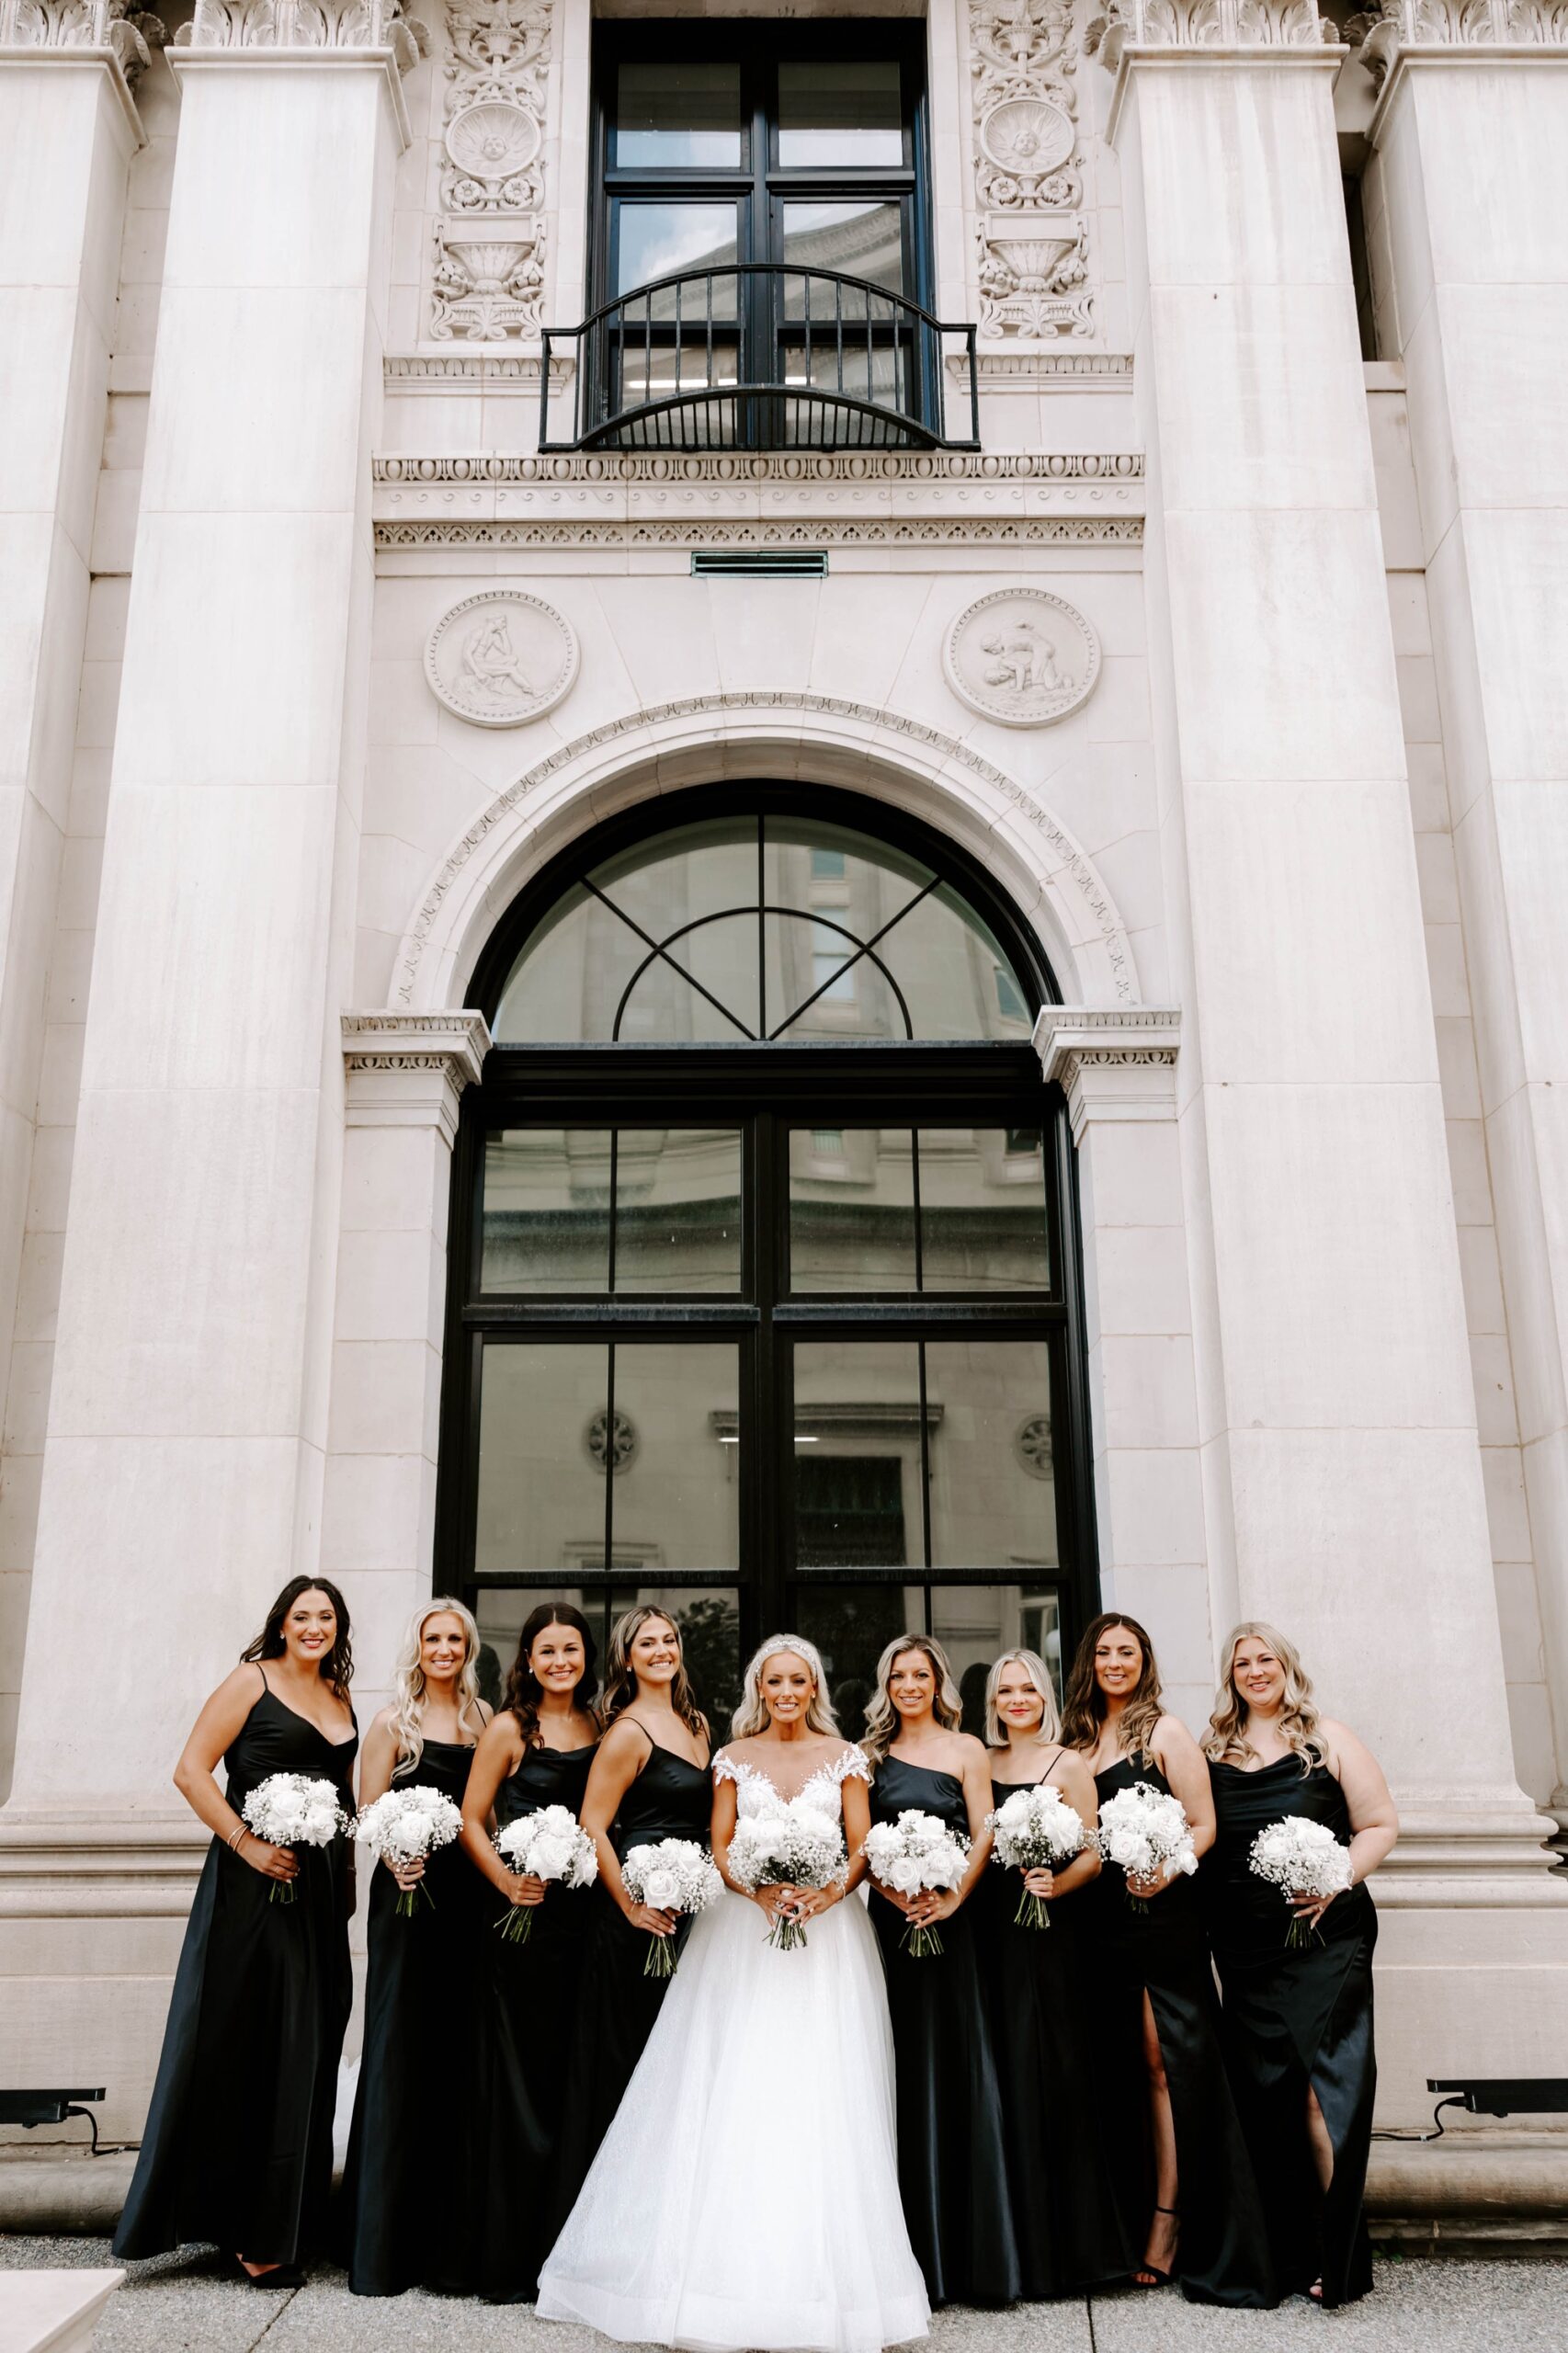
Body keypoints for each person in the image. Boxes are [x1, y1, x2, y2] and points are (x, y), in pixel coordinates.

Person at [538, 1635, 929, 2353]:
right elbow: (721, 1844)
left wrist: (823, 1893)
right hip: (740, 1936)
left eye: (798, 1681)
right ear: (760, 1687)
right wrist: (756, 1890)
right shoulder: (731, 1756)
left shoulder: (845, 1758)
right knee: (735, 2080)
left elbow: (861, 1843)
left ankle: (827, 2284)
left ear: (815, 1688)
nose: (787, 1692)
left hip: (827, 1940)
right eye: (774, 1680)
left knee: (820, 2086)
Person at [113, 1577, 358, 2285]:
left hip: (315, 1901)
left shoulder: (341, 1697)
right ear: (280, 1622)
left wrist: (342, 1889)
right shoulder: (250, 1681)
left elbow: (344, 1800)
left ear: (339, 1630)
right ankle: (251, 2236)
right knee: (257, 2043)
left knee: (308, 2048)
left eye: (327, 1618)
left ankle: (286, 2217)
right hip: (252, 1893)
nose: (314, 1627)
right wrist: (247, 1842)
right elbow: (191, 1772)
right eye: (302, 1615)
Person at [1064, 1612, 1273, 2306]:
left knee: (1165, 2064)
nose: (1114, 1663)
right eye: (1104, 1653)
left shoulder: (1166, 1732)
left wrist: (1167, 1869)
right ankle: (1125, 2217)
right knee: (1119, 2068)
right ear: (1089, 1663)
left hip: (1162, 1916)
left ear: (1144, 1661)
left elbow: (1204, 1823)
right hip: (1097, 1923)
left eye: (1127, 1652)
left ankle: (1173, 2217)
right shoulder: (1078, 1738)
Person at [1205, 1621, 1398, 2308]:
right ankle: (1284, 2252)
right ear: (1230, 1677)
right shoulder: (1211, 1750)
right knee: (1269, 2098)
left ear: (1286, 1667)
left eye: (1266, 1660)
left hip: (1330, 1938)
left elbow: (1379, 1824)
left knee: (1323, 2093)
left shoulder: (1328, 1740)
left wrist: (1337, 1876)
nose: (1256, 1672)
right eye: (1242, 1663)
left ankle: (1336, 2251)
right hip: (1249, 1949)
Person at [863, 1634, 1020, 2309]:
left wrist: (951, 1894)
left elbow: (985, 1830)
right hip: (892, 1928)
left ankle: (969, 2255)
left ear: (938, 1681)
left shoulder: (966, 1750)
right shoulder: (868, 1756)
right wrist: (893, 1889)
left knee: (958, 2068)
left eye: (919, 1674)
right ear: (886, 1685)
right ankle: (907, 2256)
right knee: (898, 2067)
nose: (908, 1685)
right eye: (897, 1675)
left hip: (954, 1927)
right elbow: (858, 1839)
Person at [339, 1597, 488, 2296]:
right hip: (406, 1896)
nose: (445, 1649)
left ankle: (446, 2242)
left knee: (458, 2050)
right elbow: (365, 1811)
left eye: (456, 1638)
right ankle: (383, 2244)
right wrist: (394, 1853)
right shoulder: (391, 1722)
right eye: (434, 1638)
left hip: (468, 1903)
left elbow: (487, 1810)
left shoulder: (484, 1721)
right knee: (400, 2044)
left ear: (469, 1647)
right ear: (418, 1646)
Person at [545, 1605, 713, 2222]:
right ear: (626, 1657)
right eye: (648, 1642)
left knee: (675, 2061)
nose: (662, 1650)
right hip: (634, 1918)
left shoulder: (695, 1725)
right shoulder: (626, 1732)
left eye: (670, 1639)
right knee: (626, 2058)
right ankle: (604, 2216)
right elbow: (594, 1823)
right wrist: (631, 1906)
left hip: (689, 1911)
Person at [976, 1648, 1131, 2296]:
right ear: (994, 1701)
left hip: (1052, 1932)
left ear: (1044, 1698)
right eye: (1006, 1690)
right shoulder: (980, 1763)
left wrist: (1055, 1881)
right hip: (990, 1934)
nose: (1017, 1700)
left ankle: (1074, 2252)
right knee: (1005, 2074)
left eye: (1028, 1689)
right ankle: (1016, 2249)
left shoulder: (1067, 1762)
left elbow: (1095, 1853)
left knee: (1057, 2074)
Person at [458, 1604, 601, 2303]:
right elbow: (470, 1817)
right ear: (528, 1659)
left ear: (585, 1655)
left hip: (586, 1922)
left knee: (574, 2076)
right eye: (547, 1651)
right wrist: (508, 1883)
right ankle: (509, 2253)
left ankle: (567, 2245)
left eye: (570, 1649)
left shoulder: (602, 1726)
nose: (559, 1662)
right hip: (524, 1921)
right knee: (522, 2080)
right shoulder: (511, 1728)